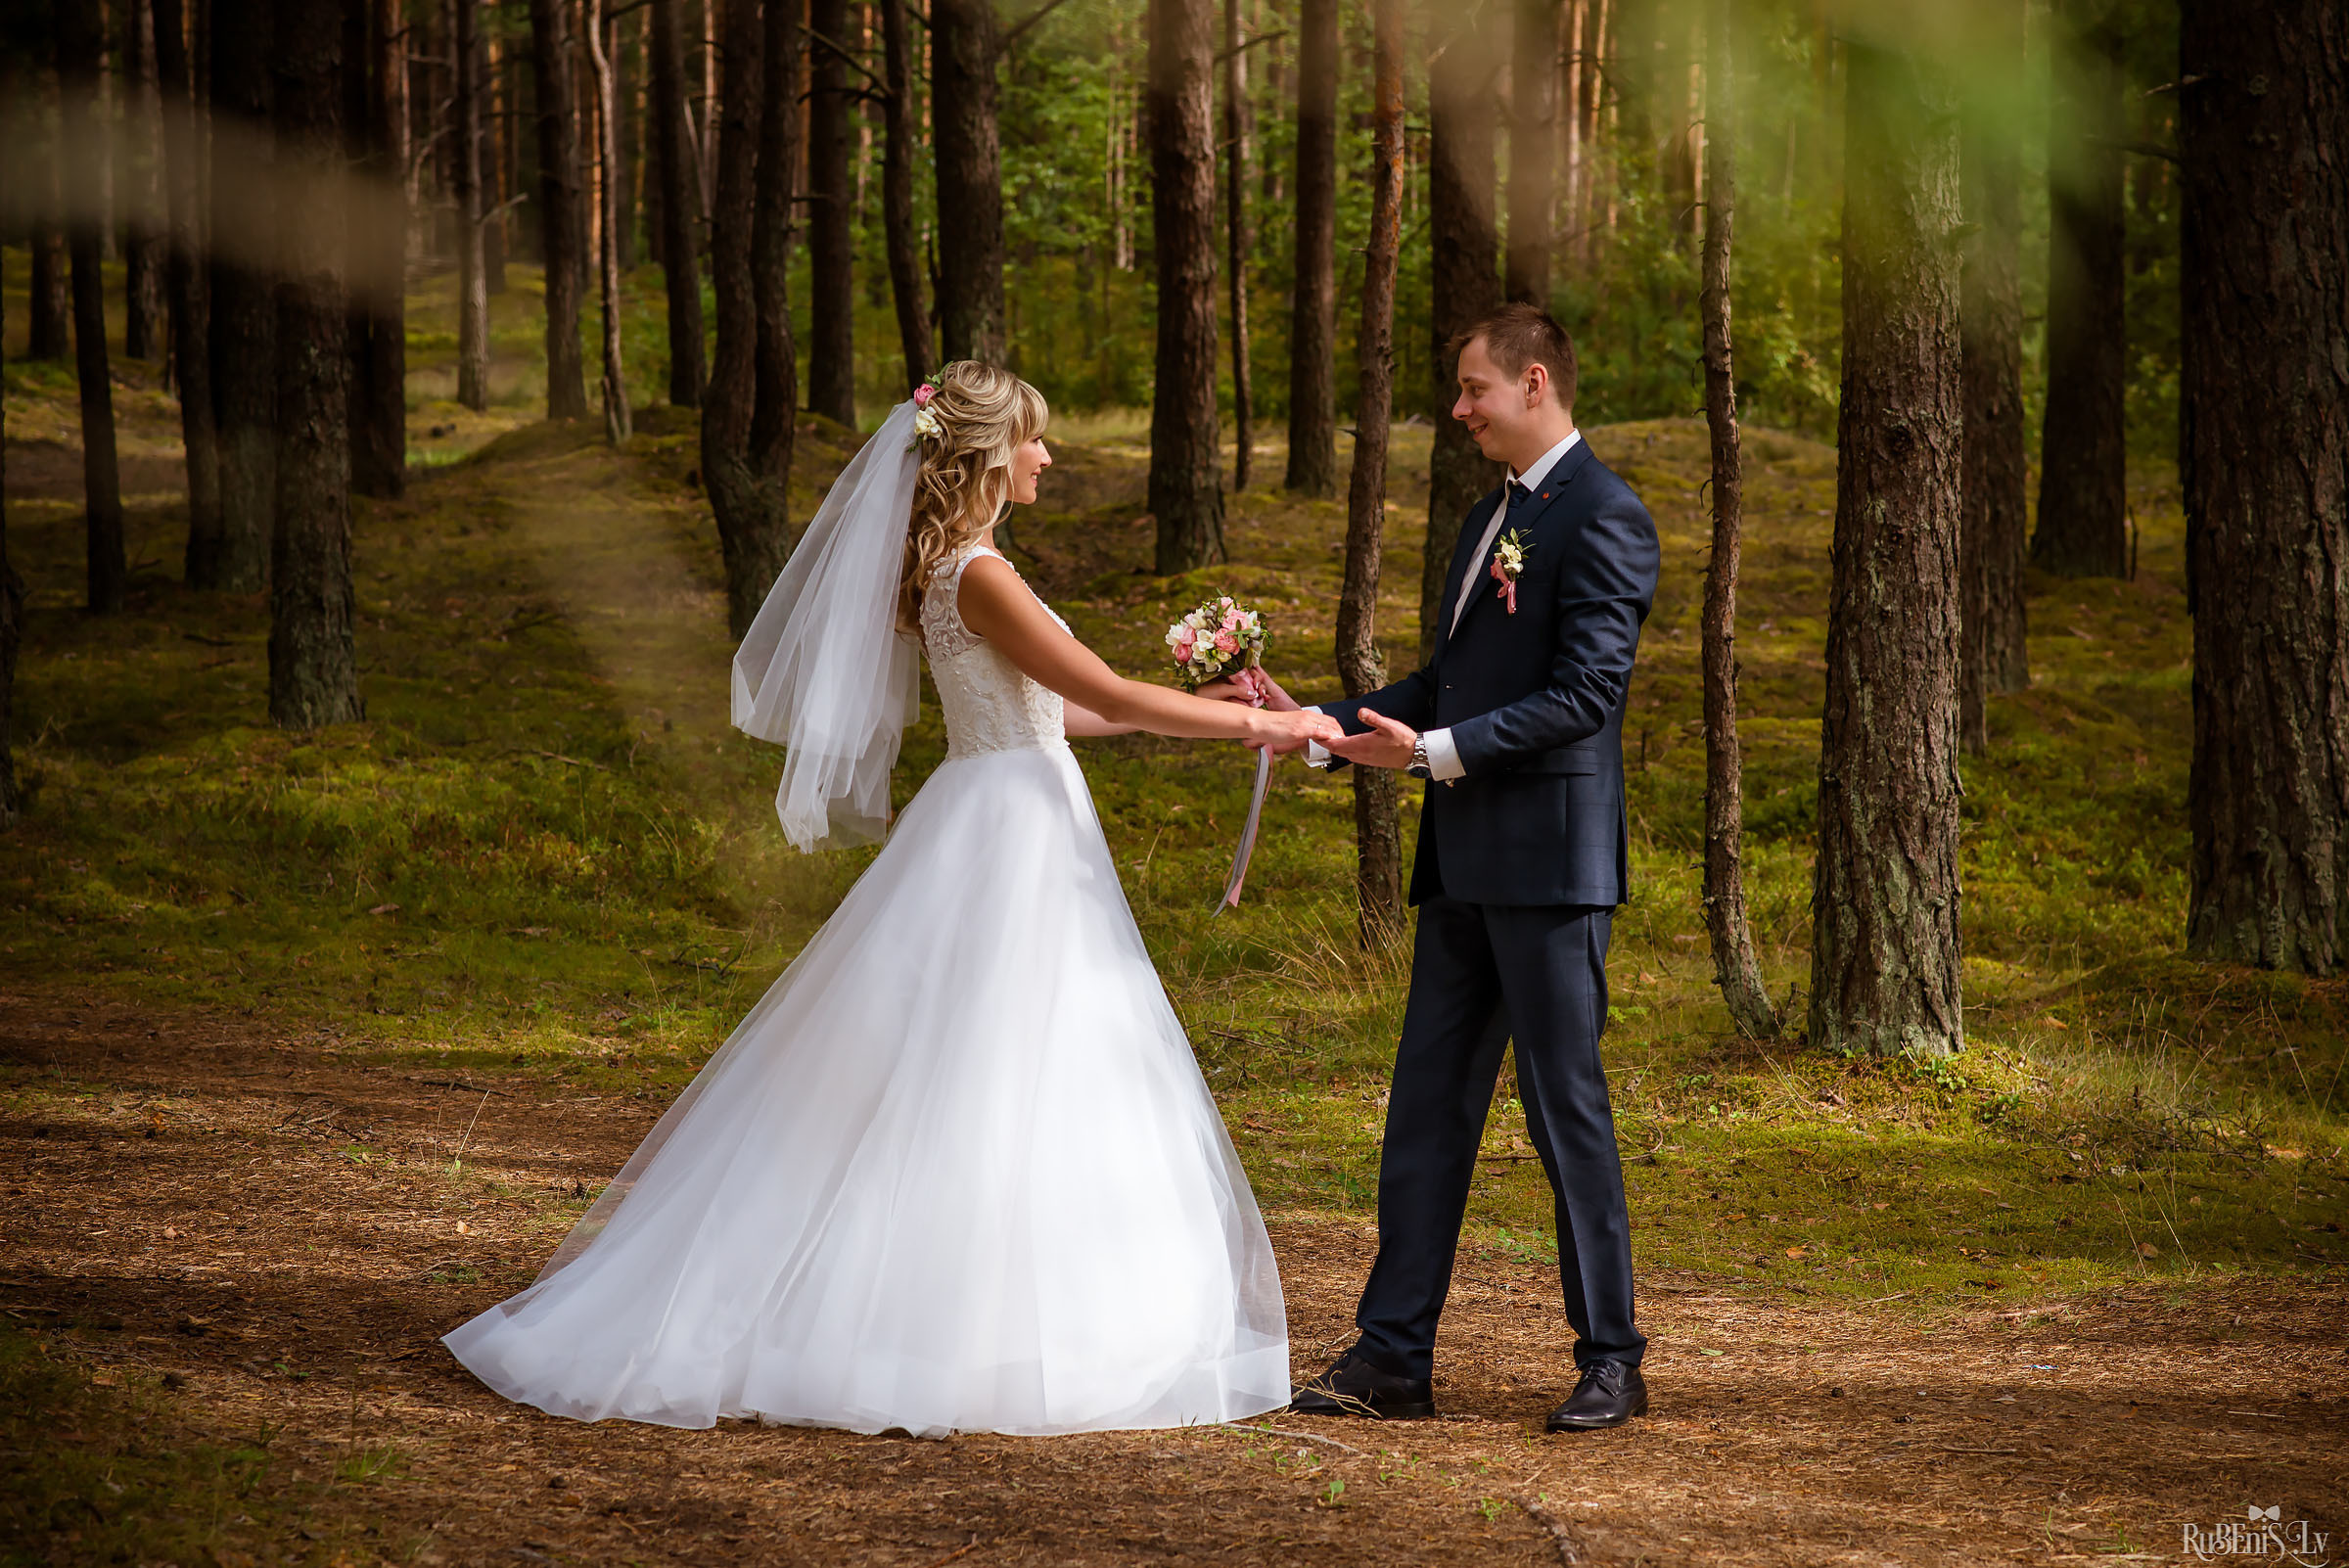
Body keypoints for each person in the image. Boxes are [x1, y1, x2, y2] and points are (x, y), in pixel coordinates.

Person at [442, 362, 1343, 1437]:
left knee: (1027, 1056)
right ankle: (947, 1323)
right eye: (1035, 439)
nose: (1048, 456)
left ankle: (1011, 1305)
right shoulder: (978, 573)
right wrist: (1265, 726)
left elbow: (1065, 715)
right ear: (987, 453)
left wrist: (1196, 705)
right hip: (1006, 829)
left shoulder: (963, 570)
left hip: (1012, 801)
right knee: (989, 1061)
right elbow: (1099, 688)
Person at [1239, 302, 1660, 1432]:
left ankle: (1612, 1356)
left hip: (1554, 871)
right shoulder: (1490, 519)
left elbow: (1586, 698)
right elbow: (1445, 684)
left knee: (1565, 1111)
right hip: (1462, 866)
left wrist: (1427, 755)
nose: (1461, 408)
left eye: (1474, 389)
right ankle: (1392, 1358)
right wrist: (1318, 725)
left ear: (1533, 382)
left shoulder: (1608, 516)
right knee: (1426, 1109)